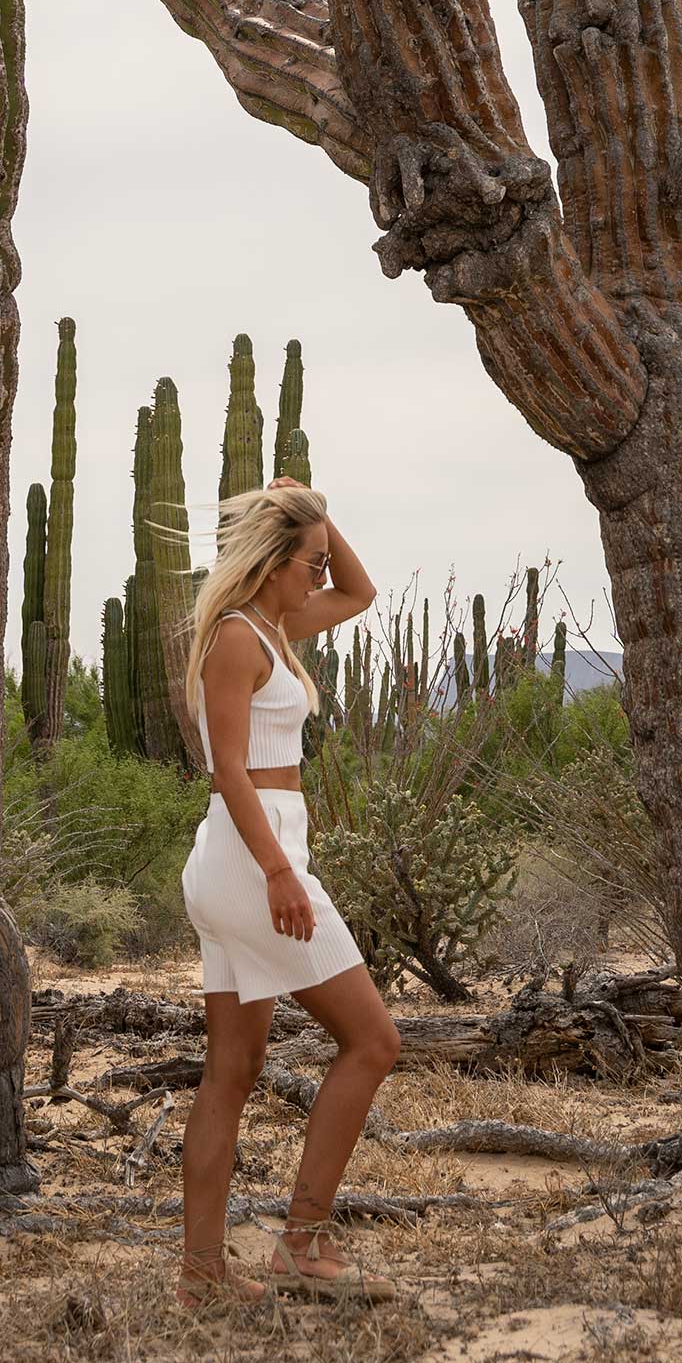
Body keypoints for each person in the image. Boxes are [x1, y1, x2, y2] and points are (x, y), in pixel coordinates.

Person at [176, 476, 401, 1306]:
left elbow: (362, 591)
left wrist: (320, 516)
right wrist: (278, 870)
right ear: (273, 564)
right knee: (374, 1042)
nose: (319, 574)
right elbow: (227, 767)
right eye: (307, 561)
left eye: (317, 560)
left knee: (231, 1068)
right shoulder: (238, 639)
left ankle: (202, 1276)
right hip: (251, 851)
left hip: (243, 851)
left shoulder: (276, 624)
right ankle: (302, 1241)